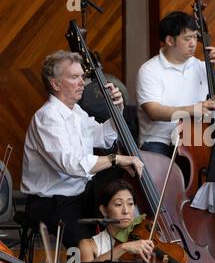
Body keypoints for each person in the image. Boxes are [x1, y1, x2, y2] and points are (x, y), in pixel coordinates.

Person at [21, 50, 144, 249]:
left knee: (116, 235)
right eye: (74, 77)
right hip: (51, 204)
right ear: (56, 84)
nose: (82, 83)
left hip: (79, 197)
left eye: (82, 76)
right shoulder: (48, 117)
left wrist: (117, 110)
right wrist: (117, 159)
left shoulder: (76, 112)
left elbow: (102, 136)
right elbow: (72, 165)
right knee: (88, 249)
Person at [136, 11, 215, 157]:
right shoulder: (149, 70)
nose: (193, 43)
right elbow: (153, 111)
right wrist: (193, 109)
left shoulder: (202, 67)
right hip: (159, 141)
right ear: (170, 41)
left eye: (195, 37)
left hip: (195, 139)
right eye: (187, 38)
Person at [79, 179, 198, 263]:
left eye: (130, 204)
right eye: (118, 204)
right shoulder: (88, 245)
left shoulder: (146, 233)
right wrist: (123, 248)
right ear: (104, 210)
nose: (126, 211)